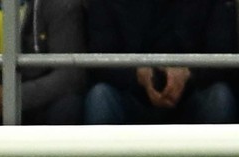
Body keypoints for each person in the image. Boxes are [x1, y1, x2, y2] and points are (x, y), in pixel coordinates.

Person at [84, 0, 238, 126]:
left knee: (220, 97)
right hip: (131, 94)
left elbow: (223, 54)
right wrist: (138, 75)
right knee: (100, 97)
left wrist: (188, 73)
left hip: (193, 93)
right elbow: (99, 58)